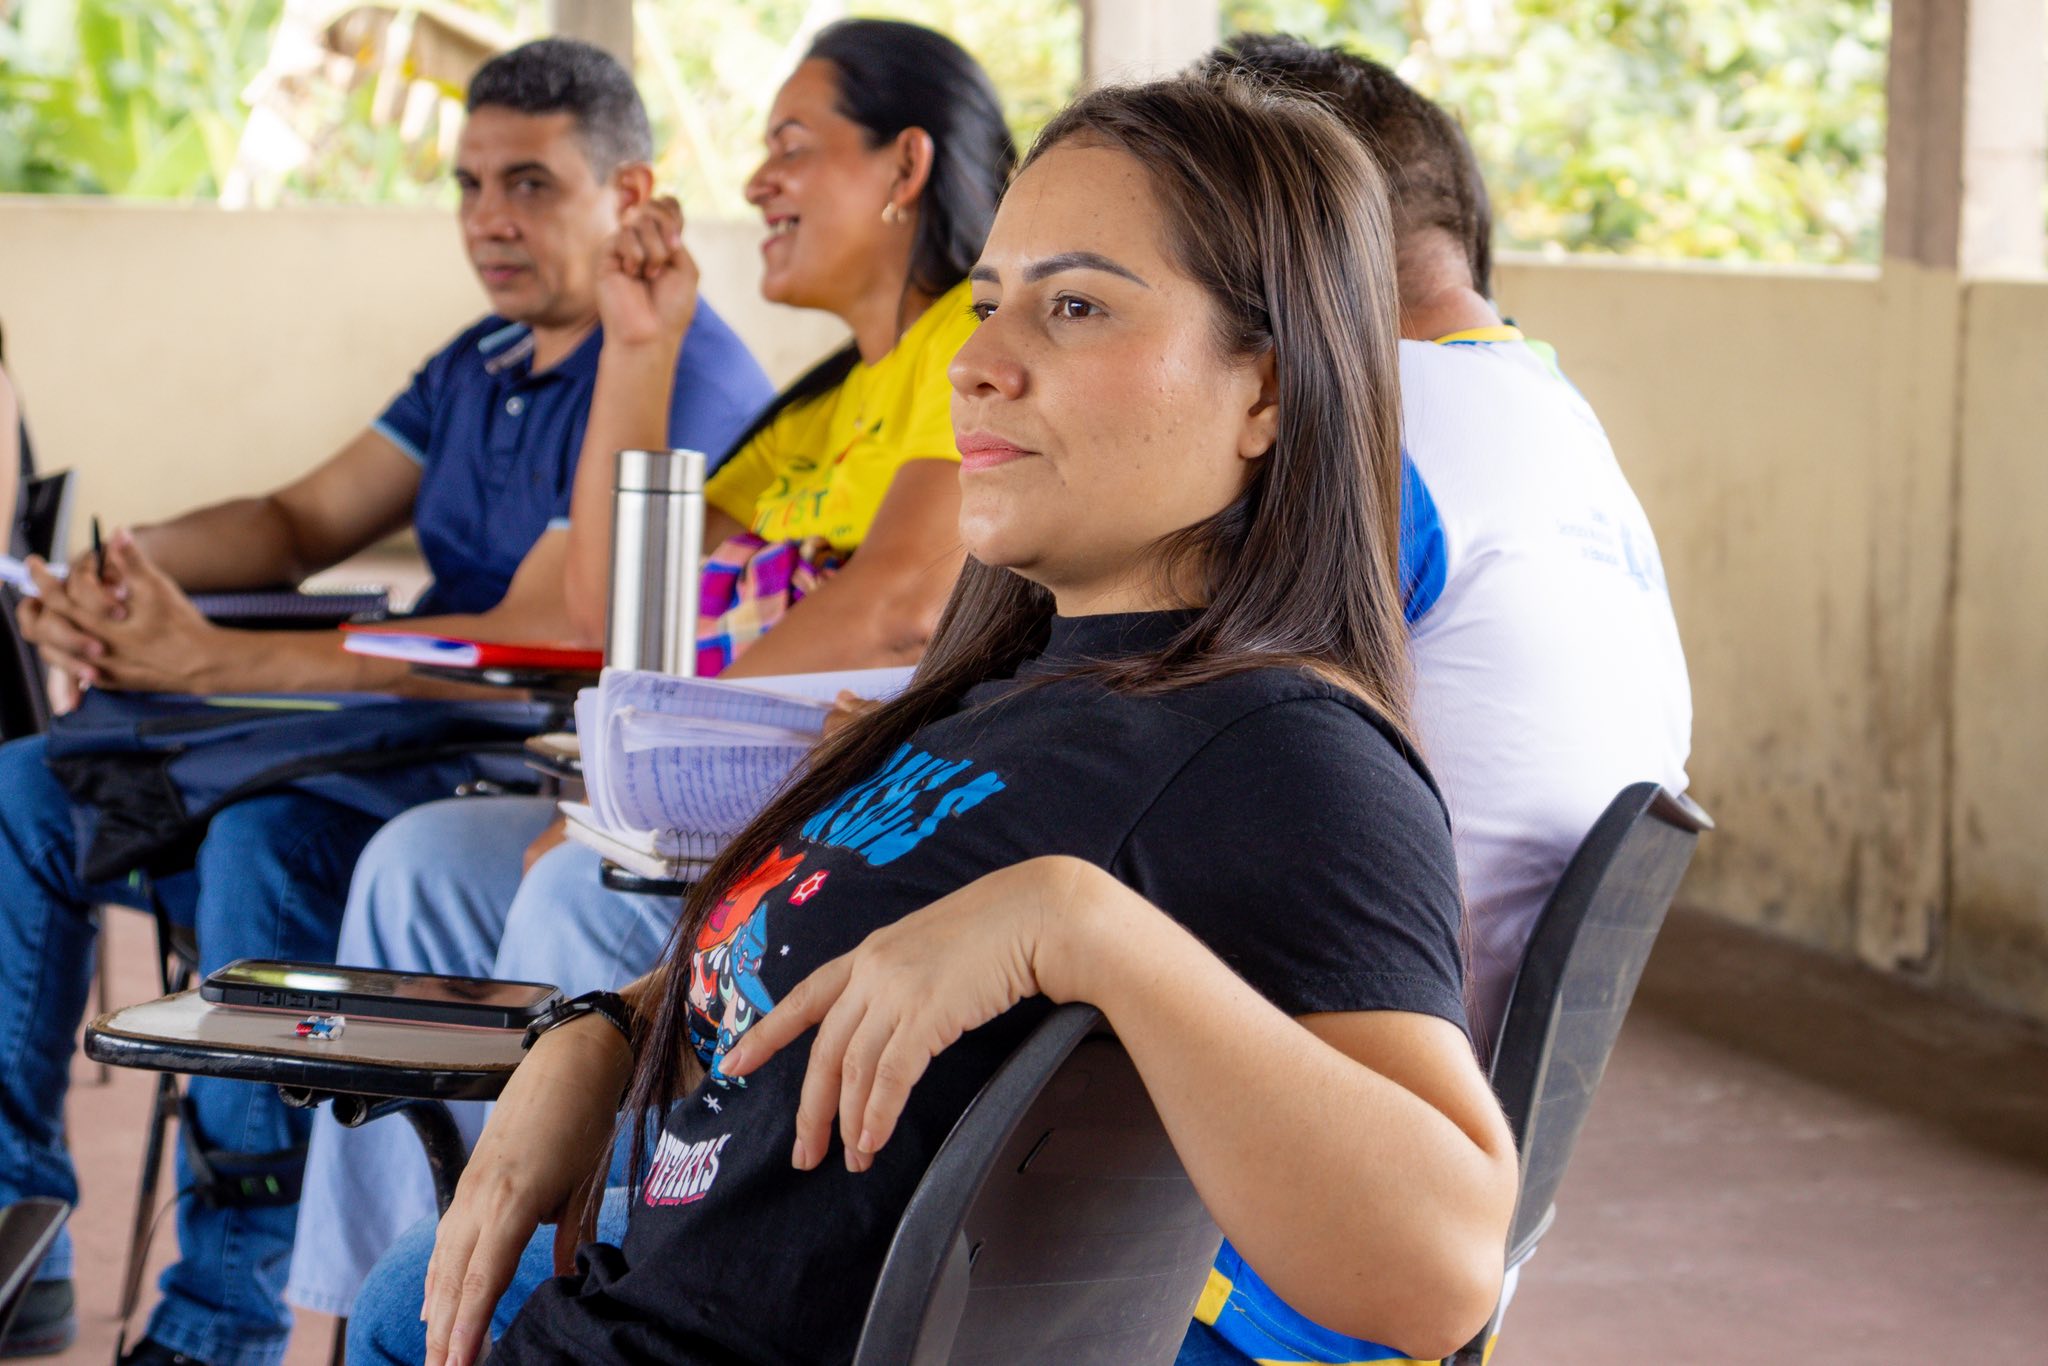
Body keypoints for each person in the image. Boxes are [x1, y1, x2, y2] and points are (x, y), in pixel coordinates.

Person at [352, 72, 1520, 1366]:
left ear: (1267, 392)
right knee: (401, 1293)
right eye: (986, 303)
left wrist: (1080, 929)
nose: (974, 364)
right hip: (629, 1292)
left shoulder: (1279, 749)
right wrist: (606, 1033)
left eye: (1075, 306)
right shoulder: (1018, 681)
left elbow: (1443, 1273)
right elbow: (792, 966)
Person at [0, 38, 771, 1366]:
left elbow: (547, 629)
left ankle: (224, 1314)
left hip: (511, 755)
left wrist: (214, 661)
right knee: (25, 783)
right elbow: (298, 518)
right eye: (469, 184)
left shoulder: (674, 371)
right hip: (386, 734)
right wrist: (118, 571)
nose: (488, 219)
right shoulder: (483, 358)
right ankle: (22, 1230)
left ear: (631, 194)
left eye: (530, 184)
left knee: (264, 839)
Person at [283, 19, 1015, 1325]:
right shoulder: (819, 402)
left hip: (811, 820)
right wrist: (639, 344)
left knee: (570, 886)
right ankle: (349, 1324)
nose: (756, 181)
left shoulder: (966, 347)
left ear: (905, 166)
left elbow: (900, 601)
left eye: (792, 146)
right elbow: (617, 613)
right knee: (415, 864)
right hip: (682, 812)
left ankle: (524, 1310)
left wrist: (637, 781)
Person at [1174, 35, 1693, 1366]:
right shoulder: (1559, 430)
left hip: (1250, 1259)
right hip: (1420, 1229)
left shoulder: (1379, 433)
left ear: (1295, 231)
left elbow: (1133, 748)